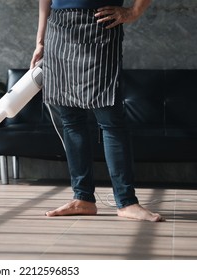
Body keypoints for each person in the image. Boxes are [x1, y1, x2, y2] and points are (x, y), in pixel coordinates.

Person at [30, 0, 165, 222]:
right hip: (59, 30)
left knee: (111, 120)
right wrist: (40, 41)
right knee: (71, 119)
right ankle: (83, 198)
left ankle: (126, 202)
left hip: (100, 26)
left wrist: (133, 11)